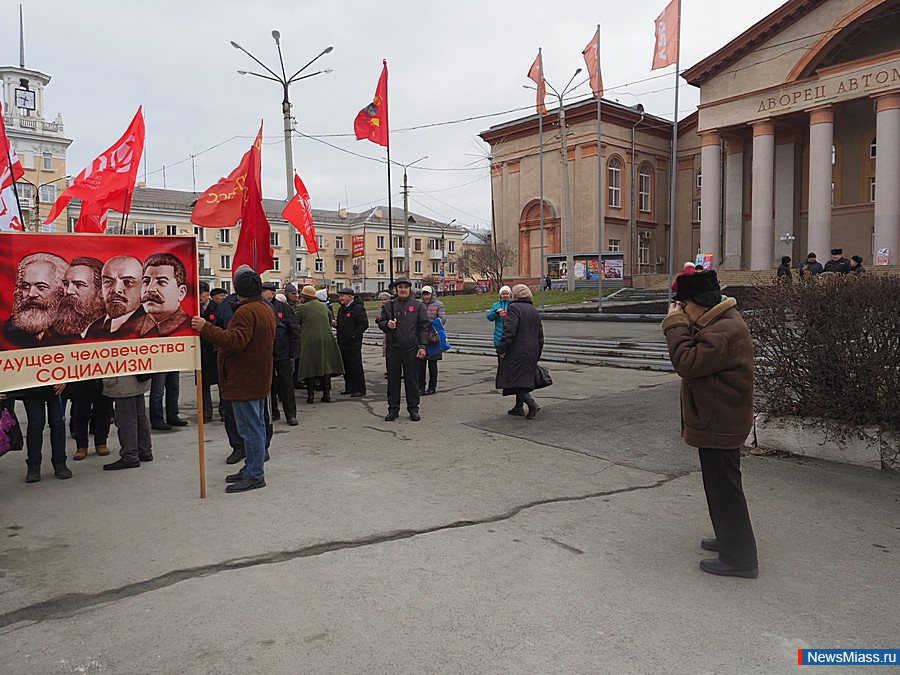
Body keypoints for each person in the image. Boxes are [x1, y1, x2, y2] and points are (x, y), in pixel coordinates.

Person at [662, 270, 758, 578]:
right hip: (718, 417)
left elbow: (686, 363)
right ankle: (729, 538)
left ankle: (740, 559)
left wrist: (674, 325)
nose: (682, 312)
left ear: (697, 303)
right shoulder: (719, 321)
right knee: (719, 487)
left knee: (725, 489)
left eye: (684, 306)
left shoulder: (724, 330)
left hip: (720, 420)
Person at [192, 265, 275, 493]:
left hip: (245, 379)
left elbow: (235, 340)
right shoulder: (264, 307)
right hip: (255, 377)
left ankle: (255, 474)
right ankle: (251, 468)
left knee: (250, 429)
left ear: (238, 290)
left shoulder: (247, 311)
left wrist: (205, 327)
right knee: (254, 426)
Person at [377, 277, 430, 422]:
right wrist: (387, 325)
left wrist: (423, 346)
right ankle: (393, 409)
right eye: (400, 287)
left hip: (411, 348)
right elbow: (381, 323)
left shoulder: (417, 306)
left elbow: (423, 327)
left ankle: (413, 409)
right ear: (396, 289)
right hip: (393, 349)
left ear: (410, 289)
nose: (403, 290)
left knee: (412, 380)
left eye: (406, 287)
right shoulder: (389, 306)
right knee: (393, 381)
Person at [495, 284, 543, 419]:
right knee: (522, 378)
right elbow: (540, 333)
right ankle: (518, 407)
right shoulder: (533, 309)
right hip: (532, 349)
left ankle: (532, 404)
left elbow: (509, 331)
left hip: (517, 349)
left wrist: (501, 348)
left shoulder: (514, 308)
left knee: (512, 378)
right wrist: (538, 350)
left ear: (516, 295)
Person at [5, 252, 68, 347]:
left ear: (61, 290)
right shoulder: (9, 331)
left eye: (41, 287)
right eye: (25, 286)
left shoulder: (77, 331)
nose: (31, 294)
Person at [295, 285, 344, 404]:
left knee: (310, 366)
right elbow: (329, 321)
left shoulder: (301, 308)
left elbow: (295, 323)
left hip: (309, 339)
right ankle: (326, 394)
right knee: (325, 365)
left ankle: (310, 396)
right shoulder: (324, 307)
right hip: (327, 338)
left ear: (304, 297)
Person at [262, 282, 299, 425]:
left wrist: (294, 352)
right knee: (268, 385)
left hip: (283, 352)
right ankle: (273, 412)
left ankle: (291, 414)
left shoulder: (284, 308)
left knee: (286, 384)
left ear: (272, 293)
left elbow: (294, 330)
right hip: (265, 353)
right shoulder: (261, 308)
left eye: (265, 291)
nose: (262, 294)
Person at [18, 384, 72, 482]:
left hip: (57, 384)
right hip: (31, 387)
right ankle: (34, 465)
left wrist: (65, 380)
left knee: (58, 423)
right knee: (36, 424)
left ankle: (60, 462)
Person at [86, 256, 147, 339]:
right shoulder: (94, 328)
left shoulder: (150, 327)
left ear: (143, 287)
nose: (115, 290)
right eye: (108, 282)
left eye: (128, 282)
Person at [101, 374, 153, 471]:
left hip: (123, 380)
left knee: (126, 419)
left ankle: (130, 455)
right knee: (140, 416)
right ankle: (144, 450)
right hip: (137, 378)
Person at [136, 253, 191, 337]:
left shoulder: (193, 328)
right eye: (146, 282)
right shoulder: (127, 329)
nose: (150, 289)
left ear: (181, 292)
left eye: (161, 282)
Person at [50, 256, 105, 340]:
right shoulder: (51, 332)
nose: (68, 291)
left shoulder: (114, 329)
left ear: (101, 291)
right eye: (66, 284)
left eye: (79, 285)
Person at [335, 287, 369, 398]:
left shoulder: (357, 308)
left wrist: (354, 335)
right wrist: (336, 324)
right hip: (343, 342)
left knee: (355, 366)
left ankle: (359, 388)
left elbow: (364, 324)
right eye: (340, 296)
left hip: (353, 343)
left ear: (350, 297)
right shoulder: (342, 309)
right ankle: (349, 387)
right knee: (346, 367)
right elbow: (342, 323)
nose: (341, 298)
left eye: (342, 296)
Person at [418, 285, 447, 395]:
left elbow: (443, 319)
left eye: (428, 294)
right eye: (424, 294)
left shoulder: (438, 305)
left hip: (433, 337)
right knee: (421, 363)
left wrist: (431, 324)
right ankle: (421, 386)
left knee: (432, 363)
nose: (426, 297)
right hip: (421, 336)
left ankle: (432, 387)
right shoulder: (419, 304)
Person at [199, 282, 219, 423]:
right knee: (203, 383)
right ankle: (206, 413)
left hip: (215, 350)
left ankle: (224, 411)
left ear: (207, 293)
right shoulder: (194, 309)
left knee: (221, 381)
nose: (200, 297)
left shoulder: (216, 308)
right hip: (200, 351)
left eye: (202, 293)